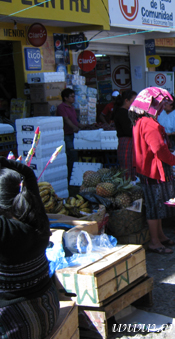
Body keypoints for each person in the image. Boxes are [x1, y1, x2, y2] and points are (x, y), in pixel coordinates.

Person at [0, 157, 59, 338]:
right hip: (48, 311)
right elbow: (28, 175)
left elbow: (28, 175)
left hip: (15, 324)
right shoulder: (38, 221)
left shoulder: (5, 231)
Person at [129, 87, 175, 254]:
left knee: (156, 205)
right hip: (153, 170)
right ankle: (155, 242)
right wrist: (174, 160)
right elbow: (158, 149)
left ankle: (160, 236)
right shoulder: (149, 124)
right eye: (160, 105)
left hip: (147, 168)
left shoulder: (140, 122)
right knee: (154, 206)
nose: (161, 109)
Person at [57, 88, 84, 180]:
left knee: (75, 155)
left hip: (73, 134)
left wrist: (83, 126)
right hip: (67, 134)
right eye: (72, 97)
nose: (74, 98)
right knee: (72, 156)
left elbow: (74, 121)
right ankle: (71, 178)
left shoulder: (72, 107)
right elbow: (66, 120)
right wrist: (74, 127)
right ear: (65, 98)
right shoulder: (61, 107)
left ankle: (75, 176)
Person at [114, 90, 138, 179]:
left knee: (131, 165)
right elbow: (128, 130)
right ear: (126, 101)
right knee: (127, 167)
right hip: (127, 142)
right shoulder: (122, 113)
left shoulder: (127, 112)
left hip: (129, 142)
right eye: (134, 100)